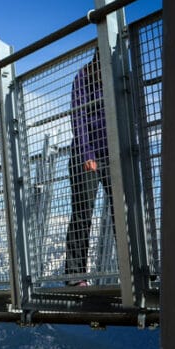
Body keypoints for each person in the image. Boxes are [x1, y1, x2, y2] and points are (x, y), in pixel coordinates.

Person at [65, 47, 115, 287]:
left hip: (114, 154)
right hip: (87, 155)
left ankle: (136, 270)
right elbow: (78, 116)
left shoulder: (119, 74)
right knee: (83, 213)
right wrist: (87, 153)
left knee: (123, 212)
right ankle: (75, 276)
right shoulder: (84, 77)